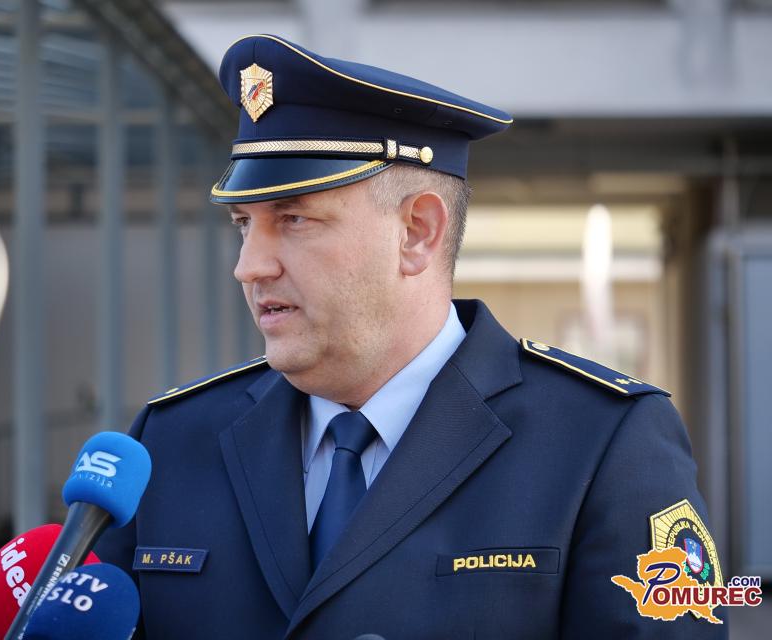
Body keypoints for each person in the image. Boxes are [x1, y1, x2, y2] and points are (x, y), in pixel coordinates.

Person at [97, 34, 727, 638]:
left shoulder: (603, 440)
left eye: (293, 219)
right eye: (243, 223)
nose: (249, 266)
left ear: (417, 233)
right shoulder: (170, 440)